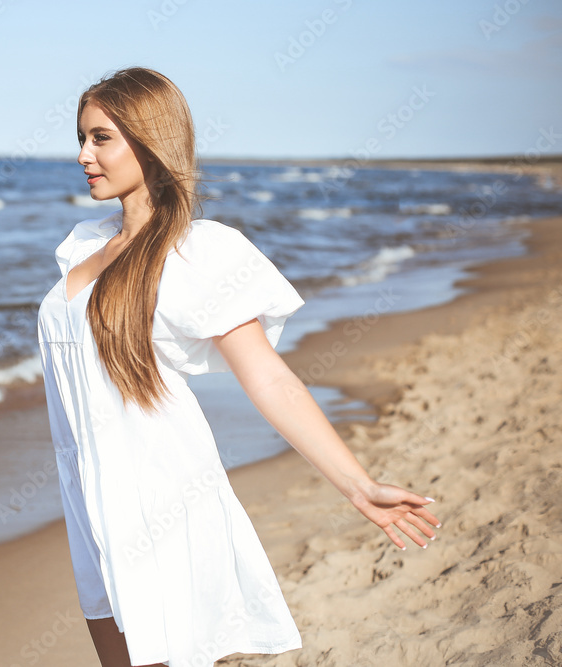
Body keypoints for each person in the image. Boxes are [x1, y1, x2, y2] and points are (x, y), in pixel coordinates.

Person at [35, 66, 441, 667]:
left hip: (159, 495)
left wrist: (356, 484)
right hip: (88, 492)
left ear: (150, 141)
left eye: (101, 138)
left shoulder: (195, 251)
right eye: (81, 137)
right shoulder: (86, 246)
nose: (82, 154)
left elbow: (270, 378)